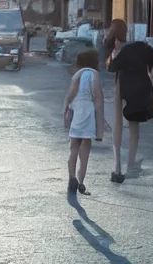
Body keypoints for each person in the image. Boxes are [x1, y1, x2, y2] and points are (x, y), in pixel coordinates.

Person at [105, 19, 153, 183]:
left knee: (118, 127)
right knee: (134, 127)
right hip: (141, 89)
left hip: (123, 88)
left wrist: (113, 54)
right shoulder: (141, 46)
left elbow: (111, 68)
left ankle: (117, 166)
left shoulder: (118, 49)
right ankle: (131, 163)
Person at [64, 50, 104, 195]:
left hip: (76, 112)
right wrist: (100, 128)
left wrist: (66, 111)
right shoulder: (94, 74)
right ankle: (81, 182)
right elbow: (98, 99)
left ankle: (71, 177)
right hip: (88, 113)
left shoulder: (77, 75)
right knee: (85, 150)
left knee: (73, 148)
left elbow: (70, 95)